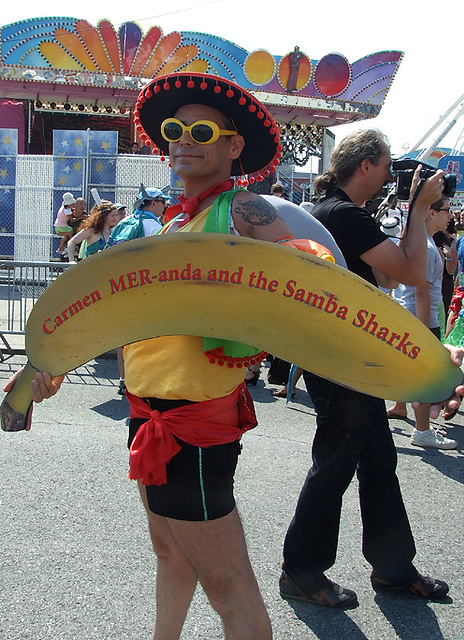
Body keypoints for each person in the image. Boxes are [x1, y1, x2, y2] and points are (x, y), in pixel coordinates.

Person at [15, 72, 288, 640]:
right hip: (146, 413)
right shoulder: (173, 221)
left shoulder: (241, 209)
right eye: (174, 129)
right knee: (168, 551)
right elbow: (120, 316)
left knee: (229, 585)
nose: (183, 139)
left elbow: (308, 275)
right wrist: (57, 365)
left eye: (201, 130)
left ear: (234, 145)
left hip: (193, 424)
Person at [281, 129, 452, 610]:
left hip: (342, 356)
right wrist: (418, 210)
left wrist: (413, 218)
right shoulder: (344, 215)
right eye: (386, 164)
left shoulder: (332, 212)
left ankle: (394, 568)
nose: (389, 174)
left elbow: (382, 274)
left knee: (378, 461)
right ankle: (301, 570)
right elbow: (413, 274)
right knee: (335, 463)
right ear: (366, 167)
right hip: (344, 358)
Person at [388, 197, 457, 449]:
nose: (451, 215)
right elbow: (421, 293)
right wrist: (425, 331)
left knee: (412, 372)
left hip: (410, 316)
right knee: (425, 377)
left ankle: (401, 407)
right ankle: (423, 430)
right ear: (431, 212)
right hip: (420, 319)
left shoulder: (420, 242)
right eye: (447, 210)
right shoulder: (427, 248)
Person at [54, 192, 76, 256]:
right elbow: (72, 219)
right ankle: (73, 243)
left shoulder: (63, 207)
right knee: (70, 231)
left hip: (57, 226)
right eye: (71, 203)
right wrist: (81, 217)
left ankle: (60, 248)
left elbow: (71, 209)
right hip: (62, 226)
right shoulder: (66, 211)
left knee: (66, 235)